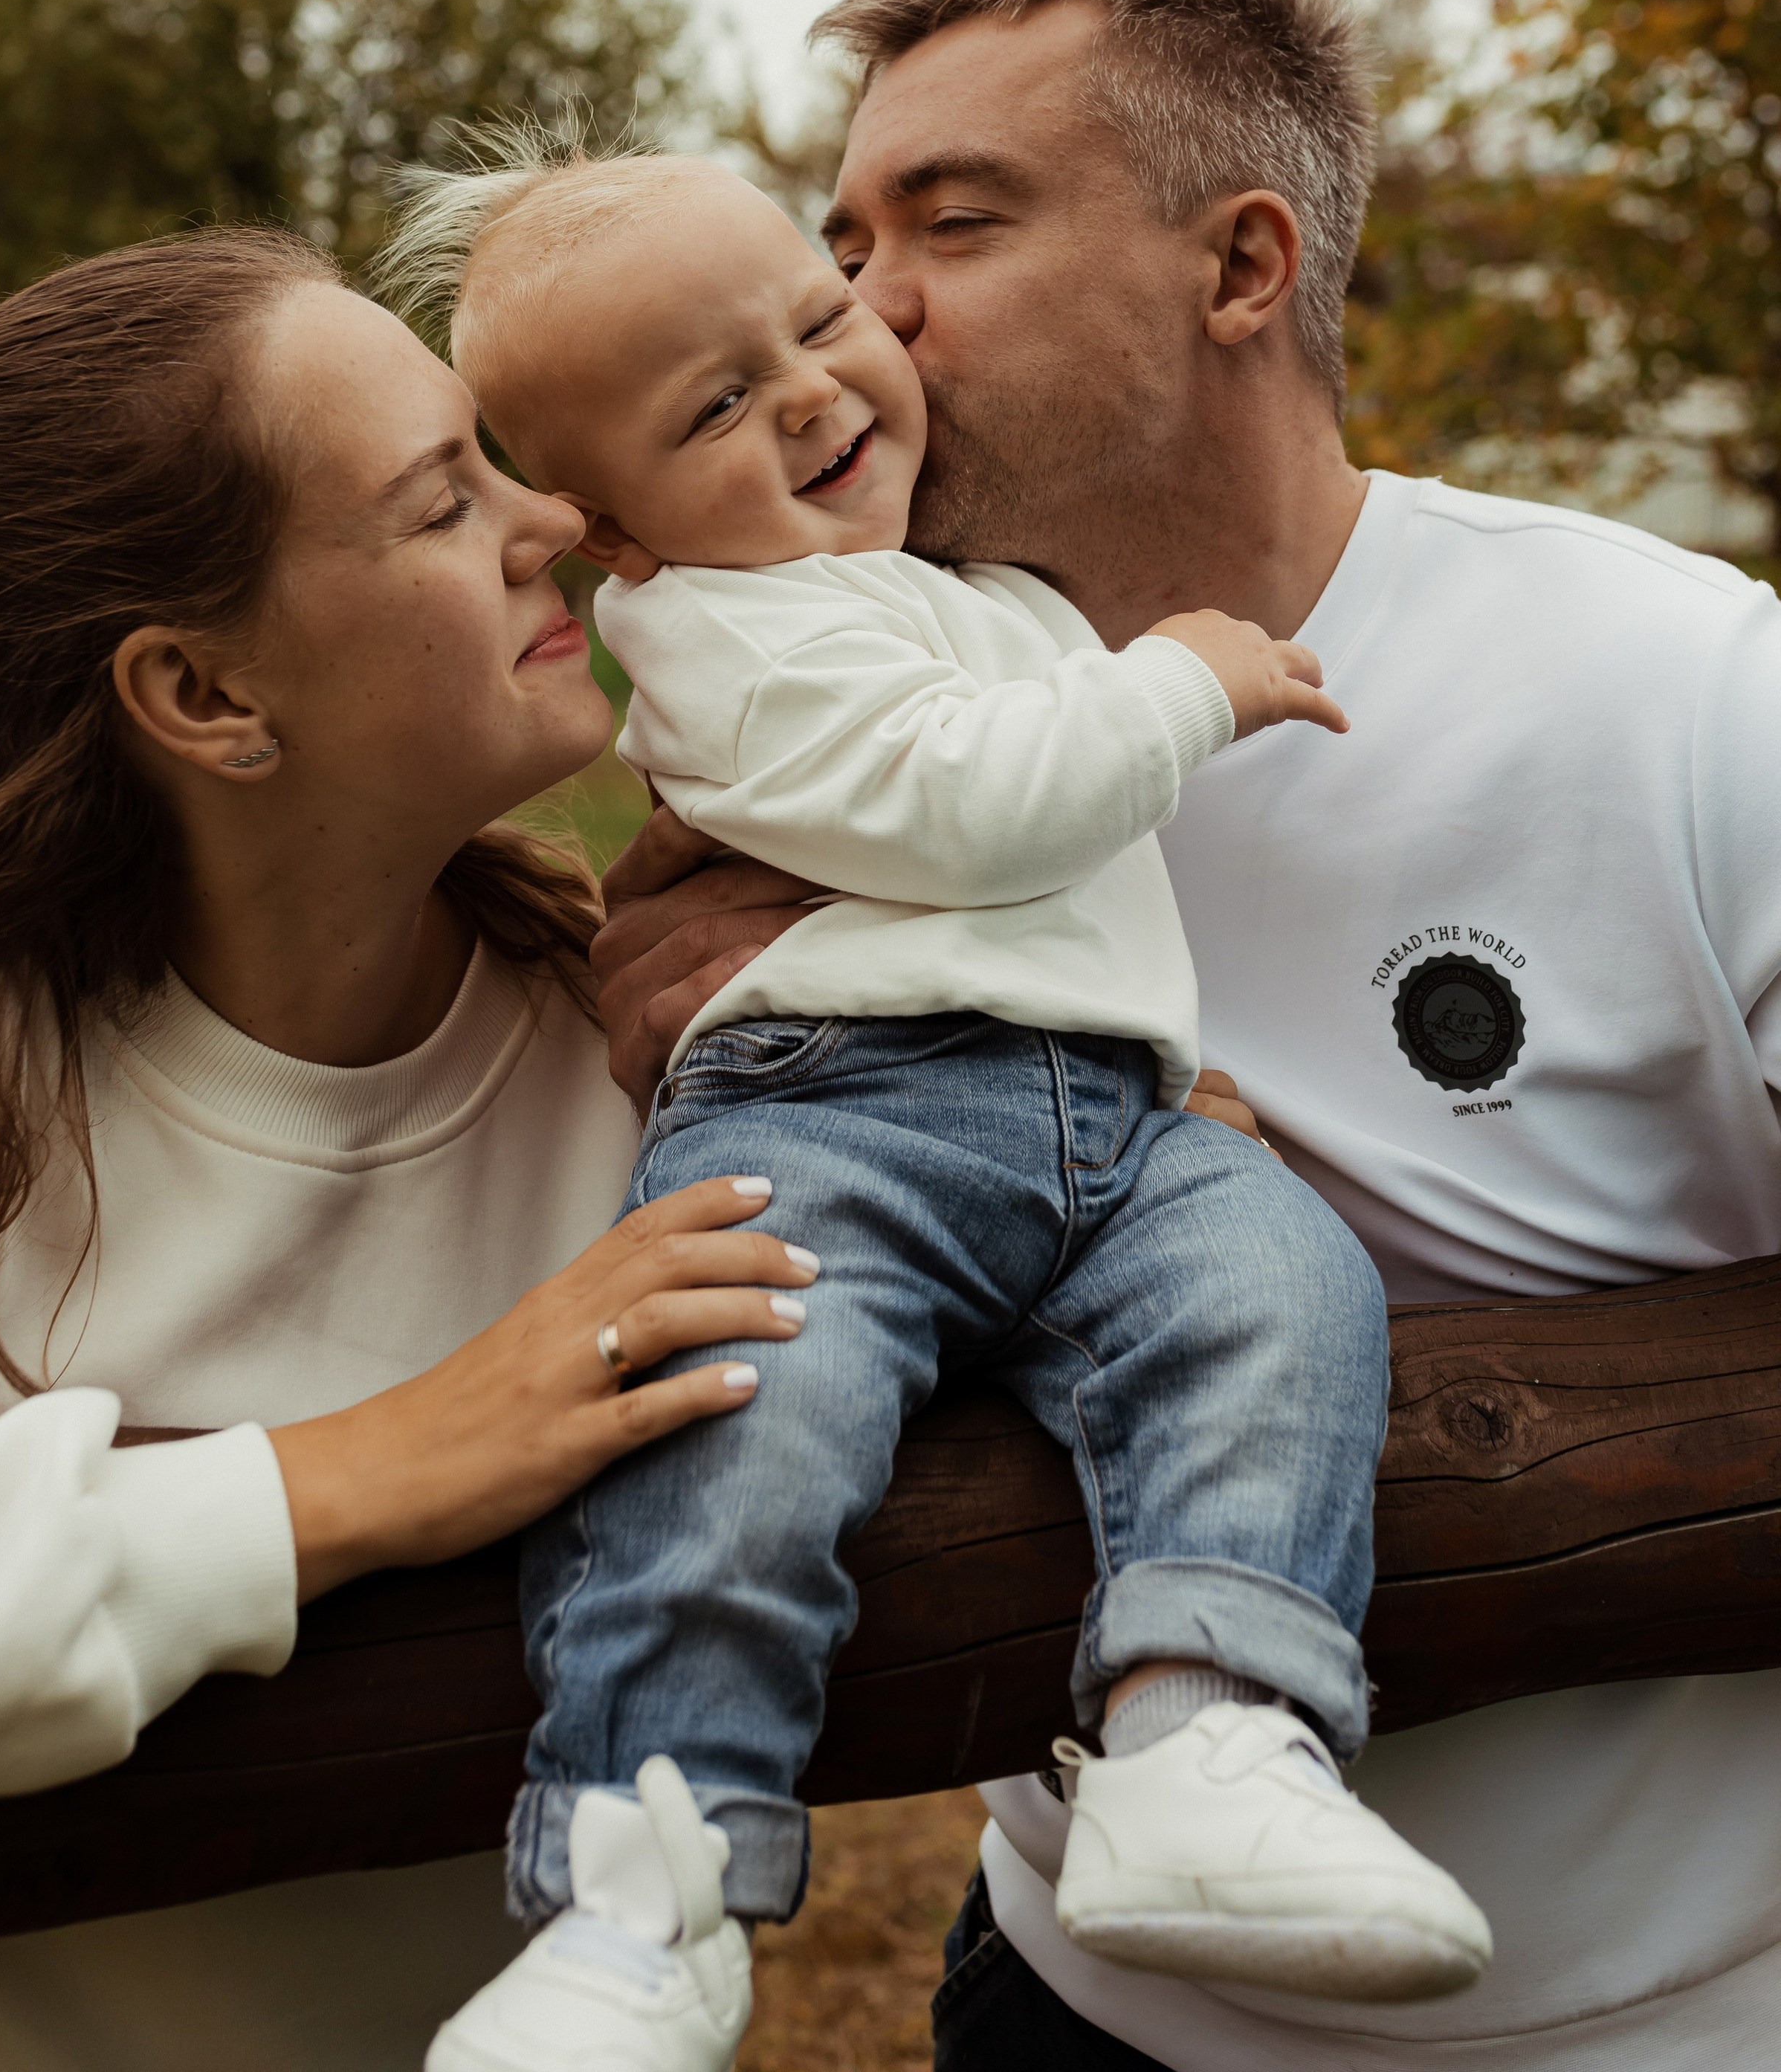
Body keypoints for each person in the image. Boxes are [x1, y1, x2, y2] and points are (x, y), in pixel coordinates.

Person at [591, 0, 1781, 2072]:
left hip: (1670, 2023)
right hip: (1074, 2002)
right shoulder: (813, 750)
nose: (863, 315)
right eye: (841, 244)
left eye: (953, 225)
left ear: (1241, 267)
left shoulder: (1685, 696)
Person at [375, 145, 1487, 2071]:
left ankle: (1208, 1736)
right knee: (738, 1434)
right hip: (840, 1116)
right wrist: (1179, 685)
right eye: (714, 406)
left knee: (1280, 1297)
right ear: (618, 535)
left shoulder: (955, 586)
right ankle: (644, 1895)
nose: (814, 388)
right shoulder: (725, 637)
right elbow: (975, 806)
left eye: (817, 318)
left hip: (1113, 1129)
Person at [0, 226, 822, 2072]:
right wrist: (368, 1469)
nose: (553, 518)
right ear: (207, 697)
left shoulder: (639, 1029)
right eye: (440, 500)